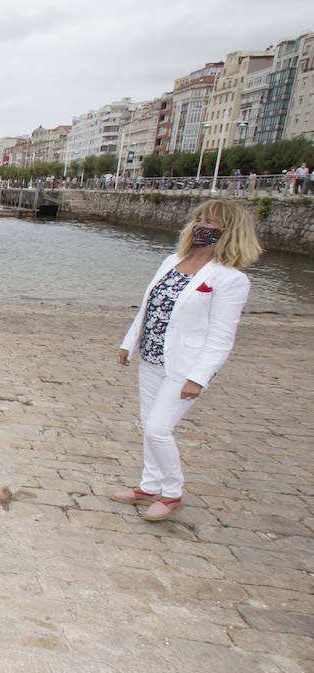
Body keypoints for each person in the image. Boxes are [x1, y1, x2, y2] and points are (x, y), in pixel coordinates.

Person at [111, 199, 261, 521]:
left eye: (212, 223)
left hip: (185, 366)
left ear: (228, 232)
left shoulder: (230, 279)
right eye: (199, 220)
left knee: (158, 429)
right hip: (151, 357)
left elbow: (222, 335)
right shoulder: (172, 261)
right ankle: (149, 486)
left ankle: (172, 493)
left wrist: (199, 377)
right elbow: (149, 307)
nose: (202, 227)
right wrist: (129, 343)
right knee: (147, 424)